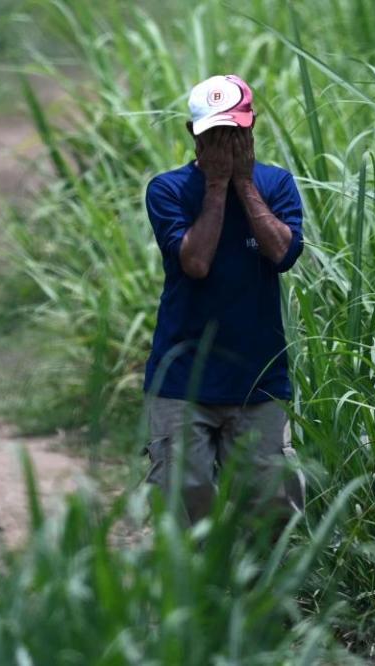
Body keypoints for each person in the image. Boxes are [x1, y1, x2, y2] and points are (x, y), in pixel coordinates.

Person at [141, 74, 306, 536]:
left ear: (252, 129)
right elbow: (195, 262)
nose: (228, 143)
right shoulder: (168, 190)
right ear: (194, 135)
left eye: (236, 132)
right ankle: (196, 597)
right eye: (216, 134)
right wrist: (216, 188)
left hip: (259, 380)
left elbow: (283, 253)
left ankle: (264, 598)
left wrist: (246, 186)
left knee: (273, 505)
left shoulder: (276, 185)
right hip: (182, 382)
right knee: (184, 500)